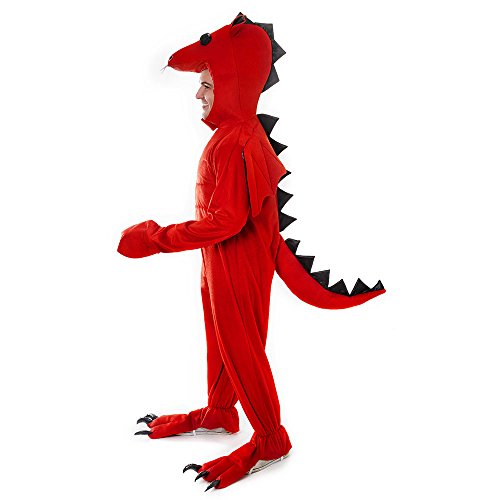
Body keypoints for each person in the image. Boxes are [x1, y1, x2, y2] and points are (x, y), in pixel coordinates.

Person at [117, 12, 384, 491]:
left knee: (242, 346)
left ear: (231, 83)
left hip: (238, 259)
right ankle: (220, 411)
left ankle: (271, 439)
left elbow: (227, 221)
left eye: (206, 83)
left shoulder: (238, 139)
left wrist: (154, 238)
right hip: (217, 260)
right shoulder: (229, 136)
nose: (198, 94)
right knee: (221, 337)